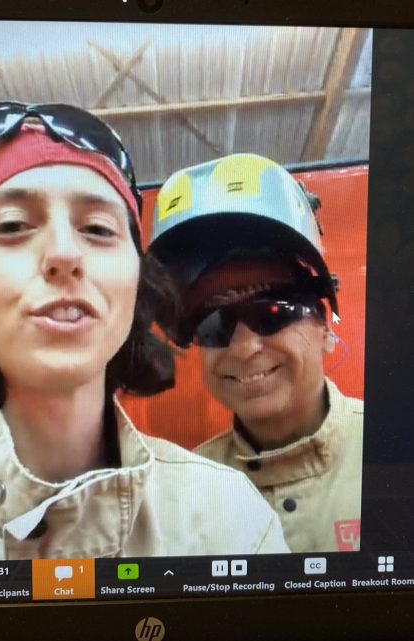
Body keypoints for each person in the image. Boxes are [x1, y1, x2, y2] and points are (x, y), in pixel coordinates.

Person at [0, 103, 288, 561]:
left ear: (137, 287)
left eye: (98, 229)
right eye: (13, 225)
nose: (64, 253)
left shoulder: (229, 520)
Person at [149, 153, 364, 553]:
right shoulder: (181, 494)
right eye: (215, 324)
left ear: (324, 326)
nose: (244, 348)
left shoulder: (395, 452)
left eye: (273, 312)